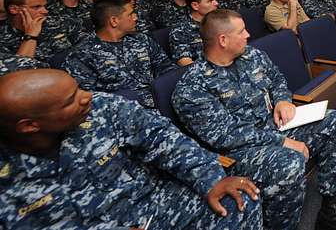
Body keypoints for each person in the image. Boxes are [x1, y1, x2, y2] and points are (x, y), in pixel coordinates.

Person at [172, 10, 336, 230]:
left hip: (274, 127)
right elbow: (225, 136)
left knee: (334, 121)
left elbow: (276, 78)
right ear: (223, 40)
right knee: (289, 162)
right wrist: (281, 142)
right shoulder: (192, 87)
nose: (248, 34)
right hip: (238, 152)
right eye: (241, 31)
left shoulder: (251, 55)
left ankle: (331, 213)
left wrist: (282, 100)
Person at [0, 68, 262, 230]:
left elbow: (163, 138)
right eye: (71, 100)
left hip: (154, 203)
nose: (86, 96)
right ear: (29, 125)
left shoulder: (103, 107)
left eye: (78, 87)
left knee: (239, 200)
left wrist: (210, 178)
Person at [63, 0, 177, 107]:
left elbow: (166, 67)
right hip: (122, 111)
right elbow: (87, 98)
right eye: (130, 14)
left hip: (159, 100)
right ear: (114, 21)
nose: (136, 17)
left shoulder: (141, 39)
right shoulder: (82, 54)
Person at [0, 0, 86, 62]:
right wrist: (30, 36)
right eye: (36, 7)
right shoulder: (3, 37)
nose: (45, 11)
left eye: (44, 6)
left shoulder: (63, 23)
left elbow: (90, 50)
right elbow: (18, 71)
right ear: (14, 9)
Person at [170, 0, 218, 66]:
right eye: (210, 1)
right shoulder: (181, 30)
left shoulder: (220, 21)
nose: (216, 3)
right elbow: (185, 63)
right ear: (195, 6)